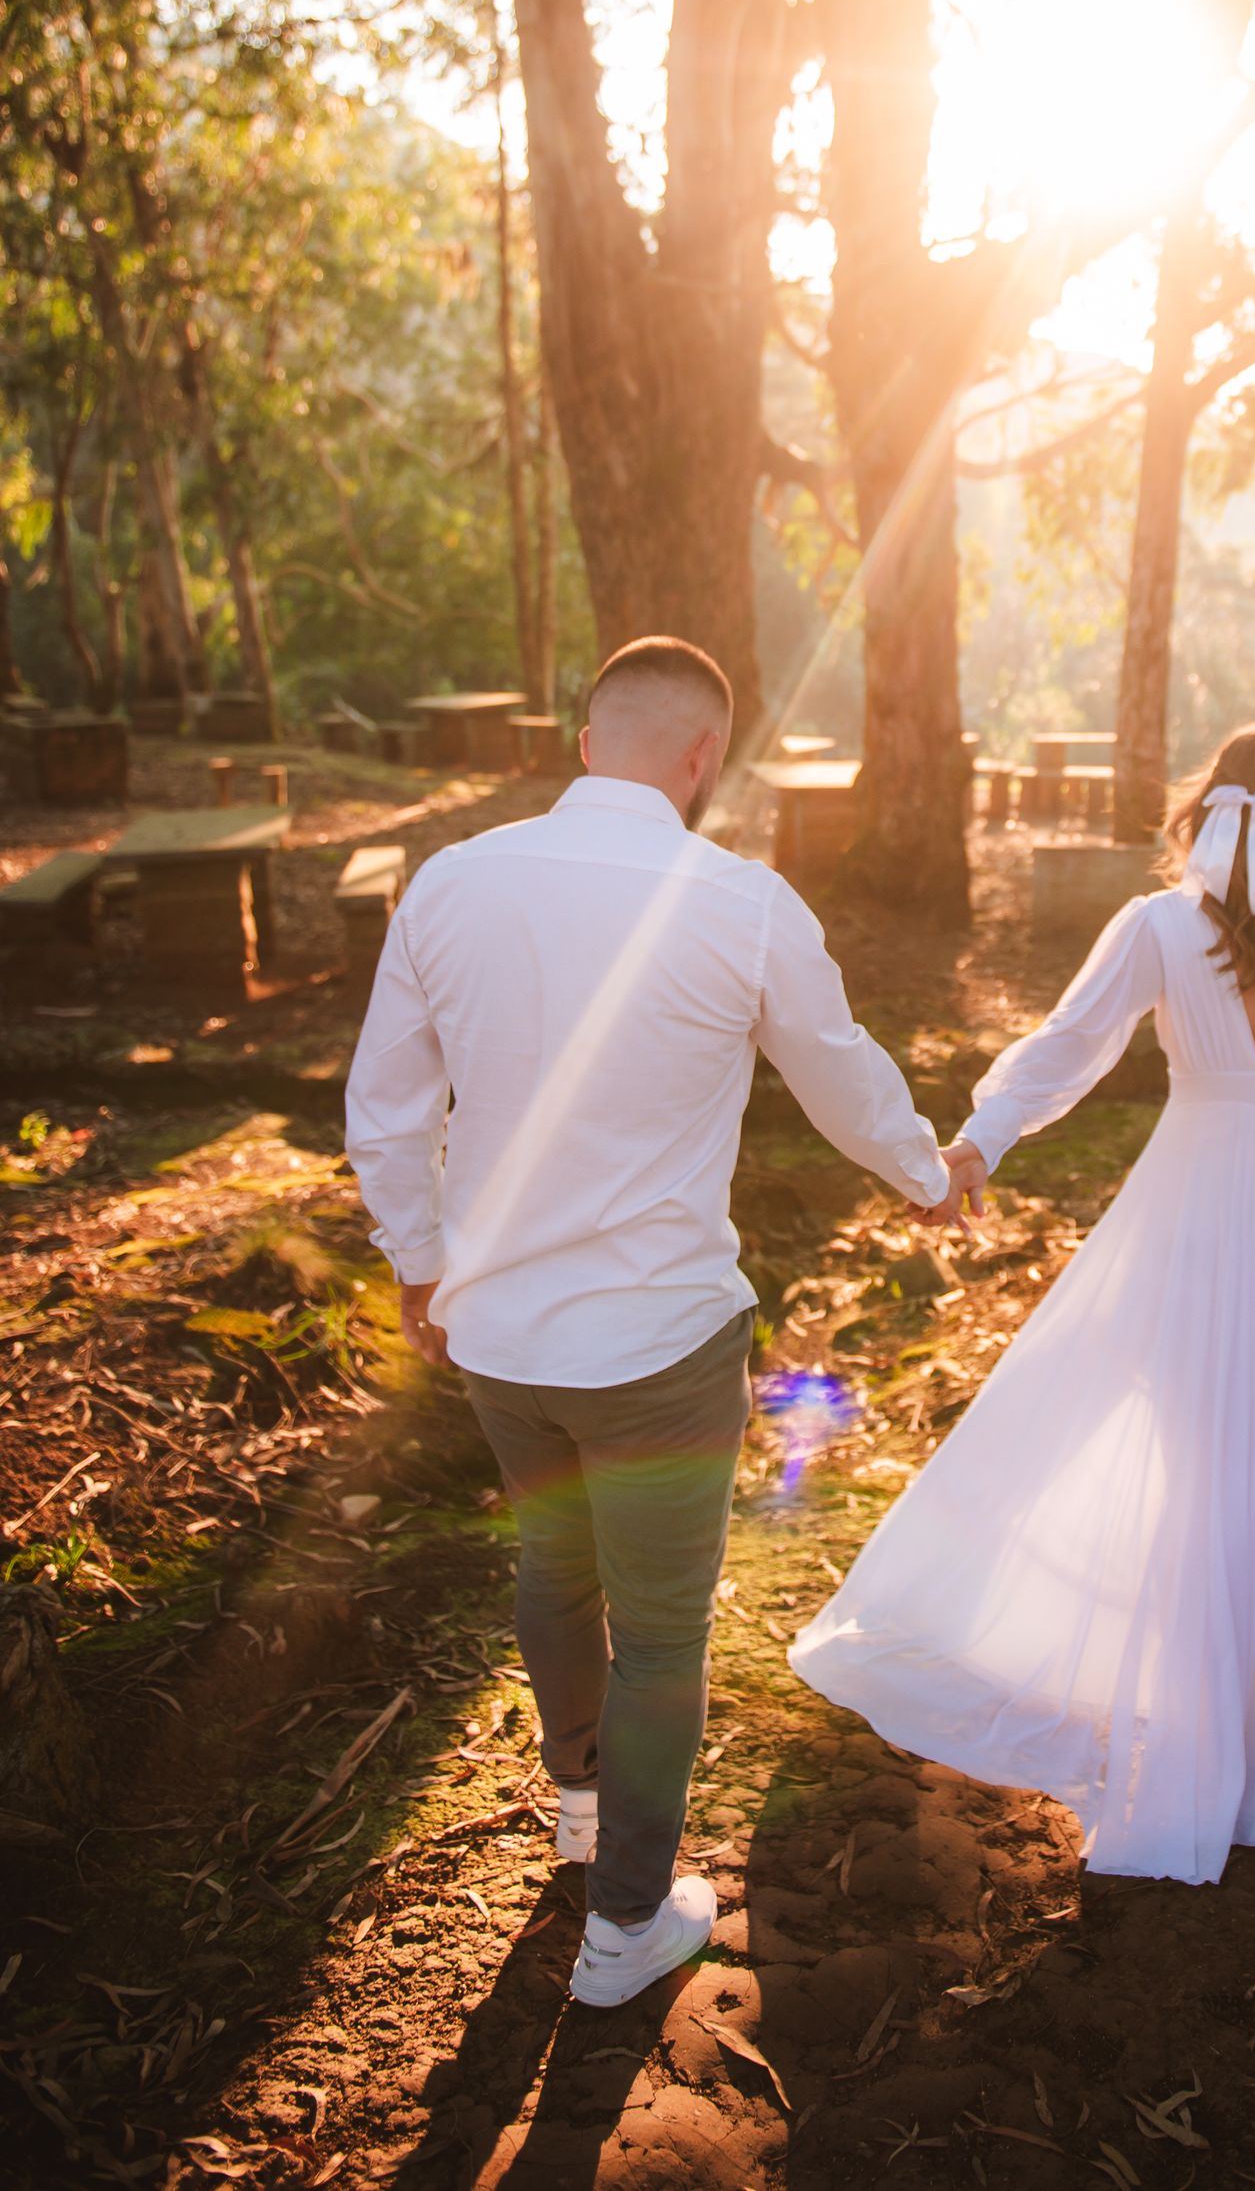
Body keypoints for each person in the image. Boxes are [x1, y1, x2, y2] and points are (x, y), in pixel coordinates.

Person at [345, 637, 957, 2005]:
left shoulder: (450, 883)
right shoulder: (743, 905)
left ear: (581, 741)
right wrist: (927, 1175)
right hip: (662, 1346)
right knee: (666, 1635)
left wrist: (419, 1261)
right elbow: (843, 1079)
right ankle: (626, 1924)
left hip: (501, 1335)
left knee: (553, 1575)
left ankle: (577, 1803)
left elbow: (386, 1106)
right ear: (703, 761)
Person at [791, 719, 1255, 1886]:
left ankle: (1197, 1694)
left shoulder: (1156, 929)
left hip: (1190, 1206)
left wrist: (981, 1141)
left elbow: (1068, 1046)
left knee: (1198, 1443)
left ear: (1208, 814)